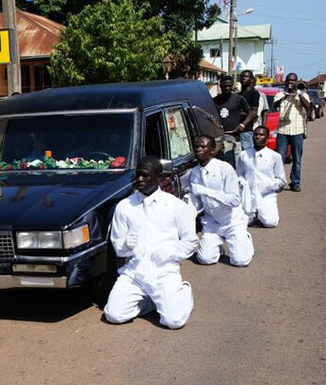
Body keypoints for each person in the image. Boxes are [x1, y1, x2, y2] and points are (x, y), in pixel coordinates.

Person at [103, 155, 198, 329]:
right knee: (114, 315)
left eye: (145, 175)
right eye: (137, 174)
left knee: (174, 321)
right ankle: (152, 301)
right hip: (135, 272)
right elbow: (119, 248)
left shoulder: (175, 206)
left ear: (159, 177)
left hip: (164, 271)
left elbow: (190, 241)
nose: (139, 179)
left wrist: (171, 253)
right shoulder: (125, 206)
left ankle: (182, 292)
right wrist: (126, 245)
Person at [188, 135, 254, 267]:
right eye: (197, 147)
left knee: (240, 261)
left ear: (212, 150)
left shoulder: (225, 168)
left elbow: (234, 200)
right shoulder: (194, 173)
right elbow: (198, 202)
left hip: (232, 221)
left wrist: (207, 191)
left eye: (203, 146)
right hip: (212, 222)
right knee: (205, 259)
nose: (199, 149)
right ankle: (217, 247)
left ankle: (244, 239)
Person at [236, 125, 287, 228]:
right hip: (248, 195)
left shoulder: (274, 156)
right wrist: (241, 181)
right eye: (256, 134)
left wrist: (268, 185)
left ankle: (268, 213)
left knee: (270, 222)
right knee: (244, 222)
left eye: (261, 135)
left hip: (266, 194)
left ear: (267, 138)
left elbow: (281, 180)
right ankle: (252, 216)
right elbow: (239, 174)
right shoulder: (243, 155)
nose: (258, 137)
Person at [273, 72, 311, 192]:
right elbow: (274, 105)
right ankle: (279, 182)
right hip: (282, 130)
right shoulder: (280, 93)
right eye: (288, 81)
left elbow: (308, 106)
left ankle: (295, 182)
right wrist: (284, 97)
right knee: (280, 158)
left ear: (296, 82)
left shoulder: (302, 94)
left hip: (297, 130)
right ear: (285, 82)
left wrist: (298, 94)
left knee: (297, 159)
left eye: (293, 81)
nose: (290, 83)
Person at [213, 75, 255, 166]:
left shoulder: (239, 99)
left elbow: (251, 113)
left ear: (232, 86)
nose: (227, 88)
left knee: (237, 164)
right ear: (220, 86)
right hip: (220, 138)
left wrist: (242, 125)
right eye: (224, 86)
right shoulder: (215, 100)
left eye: (229, 85)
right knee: (223, 165)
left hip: (235, 138)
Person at [237, 70, 262, 151]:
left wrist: (238, 114)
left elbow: (253, 113)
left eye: (246, 77)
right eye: (242, 77)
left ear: (251, 79)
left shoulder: (254, 93)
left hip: (246, 130)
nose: (244, 78)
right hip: (236, 130)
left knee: (248, 155)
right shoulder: (239, 95)